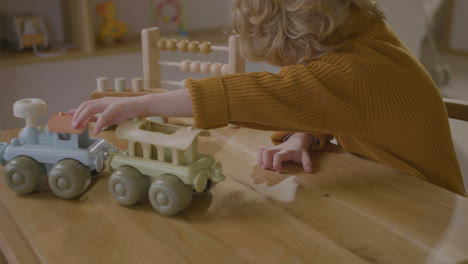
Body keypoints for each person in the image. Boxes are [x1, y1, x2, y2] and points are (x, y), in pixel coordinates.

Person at [70, 0, 466, 195]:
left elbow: (262, 93)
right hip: (388, 183)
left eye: (291, 61)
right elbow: (354, 109)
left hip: (426, 207)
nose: (288, 71)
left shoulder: (354, 69)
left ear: (305, 40)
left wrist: (140, 103)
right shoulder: (364, 32)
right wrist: (306, 135)